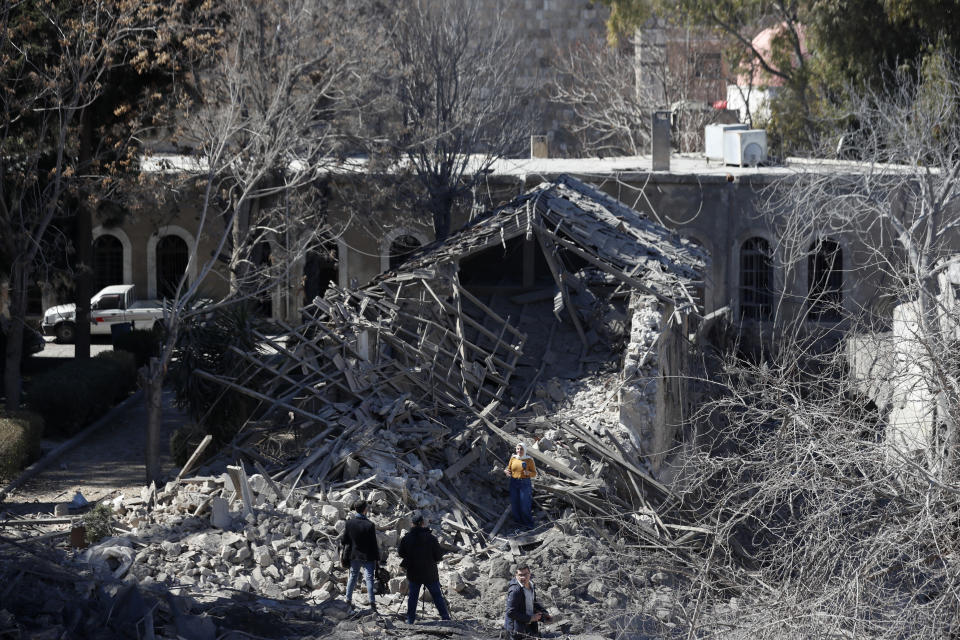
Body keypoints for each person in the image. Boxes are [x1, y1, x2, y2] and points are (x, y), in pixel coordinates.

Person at [397, 511, 451, 625]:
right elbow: (438, 556)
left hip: (413, 571)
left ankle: (410, 620)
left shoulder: (407, 538)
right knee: (436, 595)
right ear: (422, 523)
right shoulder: (431, 538)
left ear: (412, 524)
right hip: (430, 572)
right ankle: (445, 617)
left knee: (413, 596)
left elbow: (401, 553)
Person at [341, 499, 380, 612]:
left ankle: (347, 600)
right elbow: (374, 544)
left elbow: (344, 541)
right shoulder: (370, 525)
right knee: (369, 579)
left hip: (354, 555)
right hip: (368, 556)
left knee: (353, 577)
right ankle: (372, 604)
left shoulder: (349, 523)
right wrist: (377, 559)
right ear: (365, 510)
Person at [503, 565, 552, 639]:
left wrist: (544, 614)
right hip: (516, 630)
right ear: (516, 575)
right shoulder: (515, 591)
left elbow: (533, 603)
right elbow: (510, 612)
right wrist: (531, 618)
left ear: (530, 573)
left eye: (526, 574)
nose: (523, 577)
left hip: (528, 626)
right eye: (520, 575)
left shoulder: (531, 585)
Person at [503, 442, 537, 529]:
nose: (519, 451)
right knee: (515, 503)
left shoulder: (529, 460)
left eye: (521, 449)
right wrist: (506, 471)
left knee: (525, 504)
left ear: (524, 450)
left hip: (524, 483)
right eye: (518, 449)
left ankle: (529, 524)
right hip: (514, 482)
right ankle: (519, 523)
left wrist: (528, 473)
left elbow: (534, 473)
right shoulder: (513, 458)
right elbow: (509, 469)